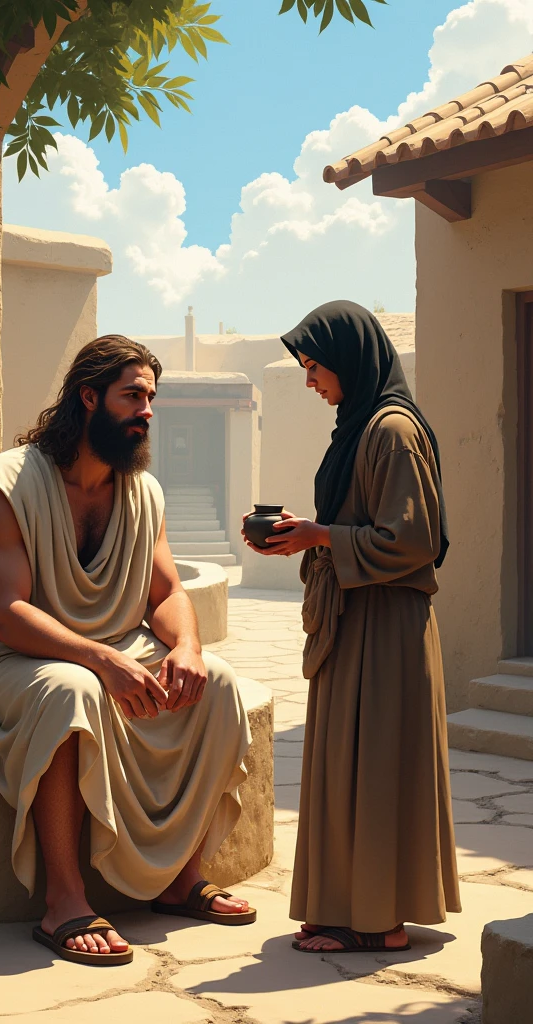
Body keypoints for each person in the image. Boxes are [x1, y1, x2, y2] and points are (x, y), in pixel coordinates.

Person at [0, 335, 256, 966]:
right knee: (73, 689)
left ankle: (181, 879)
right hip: (9, 664)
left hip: (110, 651)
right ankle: (63, 901)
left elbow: (166, 590)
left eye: (152, 397)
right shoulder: (7, 485)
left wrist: (190, 646)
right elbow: (8, 614)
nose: (147, 410)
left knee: (219, 681)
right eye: (134, 395)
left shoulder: (142, 492)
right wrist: (101, 658)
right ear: (88, 398)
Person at [244, 300, 460, 953]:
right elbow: (362, 525)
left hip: (387, 628)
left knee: (376, 767)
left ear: (351, 361)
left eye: (316, 366)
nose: (310, 380)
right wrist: (305, 539)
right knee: (348, 766)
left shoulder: (391, 431)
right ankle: (347, 906)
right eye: (305, 368)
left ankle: (379, 923)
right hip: (355, 620)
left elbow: (413, 540)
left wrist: (320, 534)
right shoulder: (359, 430)